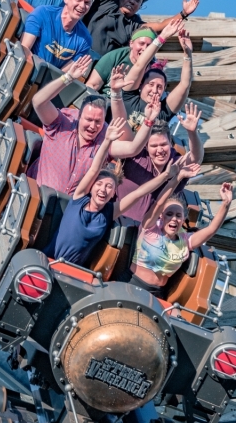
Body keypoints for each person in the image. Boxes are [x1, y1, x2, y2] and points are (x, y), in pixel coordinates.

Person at [47, 119, 192, 266]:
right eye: (100, 184)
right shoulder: (79, 199)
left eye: (109, 187)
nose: (103, 189)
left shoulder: (110, 212)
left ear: (113, 193)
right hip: (49, 258)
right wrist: (107, 140)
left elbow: (139, 193)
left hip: (71, 268)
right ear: (91, 187)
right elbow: (94, 169)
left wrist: (166, 176)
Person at [29, 55, 162, 195]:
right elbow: (38, 102)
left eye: (98, 121)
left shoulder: (104, 139)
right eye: (88, 120)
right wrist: (68, 78)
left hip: (66, 209)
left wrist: (149, 120)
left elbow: (133, 148)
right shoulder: (62, 123)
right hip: (36, 196)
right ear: (79, 116)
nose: (92, 126)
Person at [129, 171, 233, 297]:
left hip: (157, 292)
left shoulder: (185, 241)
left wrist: (226, 204)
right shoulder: (150, 228)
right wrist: (177, 178)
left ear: (183, 219)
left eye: (178, 215)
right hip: (132, 283)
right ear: (161, 216)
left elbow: (211, 229)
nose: (174, 218)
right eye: (169, 214)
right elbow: (159, 203)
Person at [116, 104, 204, 223]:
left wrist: (192, 132)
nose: (160, 150)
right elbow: (120, 123)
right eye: (154, 146)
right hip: (116, 222)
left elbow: (195, 158)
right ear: (146, 146)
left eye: (163, 144)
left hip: (147, 232)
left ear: (170, 143)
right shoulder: (136, 155)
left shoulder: (175, 163)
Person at [121, 25, 195, 131]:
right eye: (151, 84)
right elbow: (140, 65)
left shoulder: (164, 111)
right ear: (141, 85)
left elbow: (184, 85)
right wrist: (162, 37)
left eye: (160, 87)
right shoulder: (128, 98)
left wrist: (187, 54)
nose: (155, 90)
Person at [21, 0, 96, 70]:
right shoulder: (43, 13)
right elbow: (24, 48)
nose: (82, 5)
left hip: (48, 81)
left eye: (87, 2)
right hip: (26, 69)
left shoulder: (85, 40)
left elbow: (61, 74)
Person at [86, 27, 157, 95]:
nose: (145, 49)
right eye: (141, 43)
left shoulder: (154, 69)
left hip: (130, 106)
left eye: (149, 46)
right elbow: (92, 85)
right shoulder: (115, 57)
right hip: (105, 100)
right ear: (131, 43)